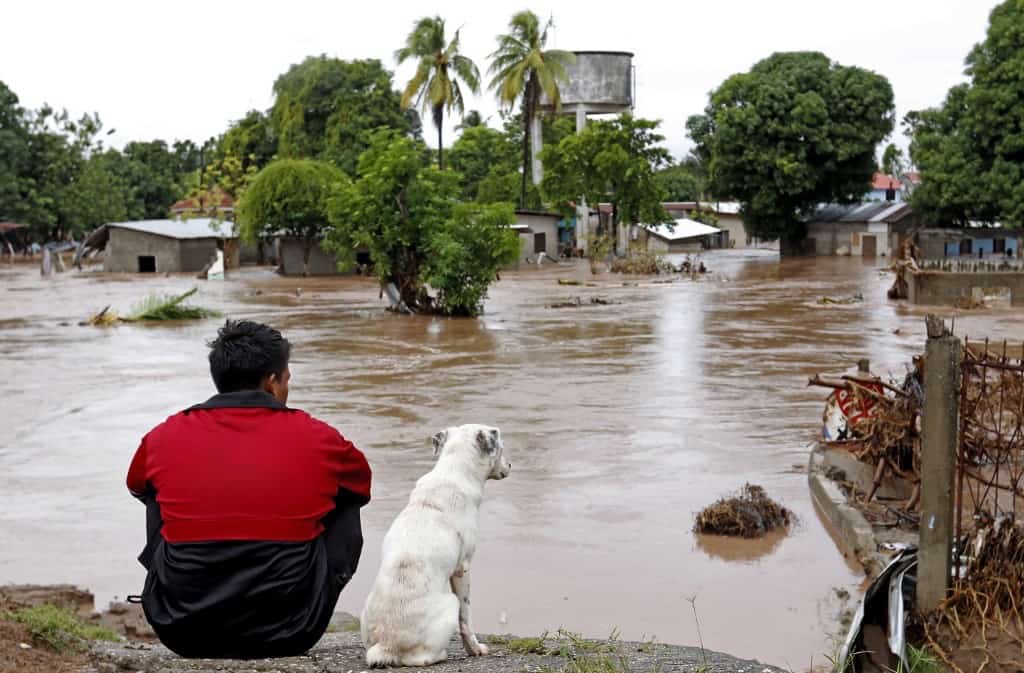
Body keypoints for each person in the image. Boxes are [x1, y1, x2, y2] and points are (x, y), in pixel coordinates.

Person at [126, 320, 371, 659]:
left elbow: (135, 484)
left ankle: (182, 585)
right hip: (292, 629)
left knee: (155, 492)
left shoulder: (163, 436)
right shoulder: (320, 437)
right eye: (287, 380)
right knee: (347, 498)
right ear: (272, 383)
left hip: (181, 628)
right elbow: (362, 483)